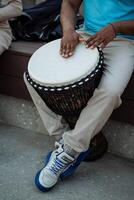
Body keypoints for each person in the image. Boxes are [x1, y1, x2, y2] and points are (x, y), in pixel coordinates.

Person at [24, 0, 134, 192]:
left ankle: (69, 151)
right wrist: (68, 30)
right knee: (33, 78)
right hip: (86, 36)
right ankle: (62, 138)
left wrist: (116, 27)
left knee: (111, 91)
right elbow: (69, 4)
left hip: (124, 41)